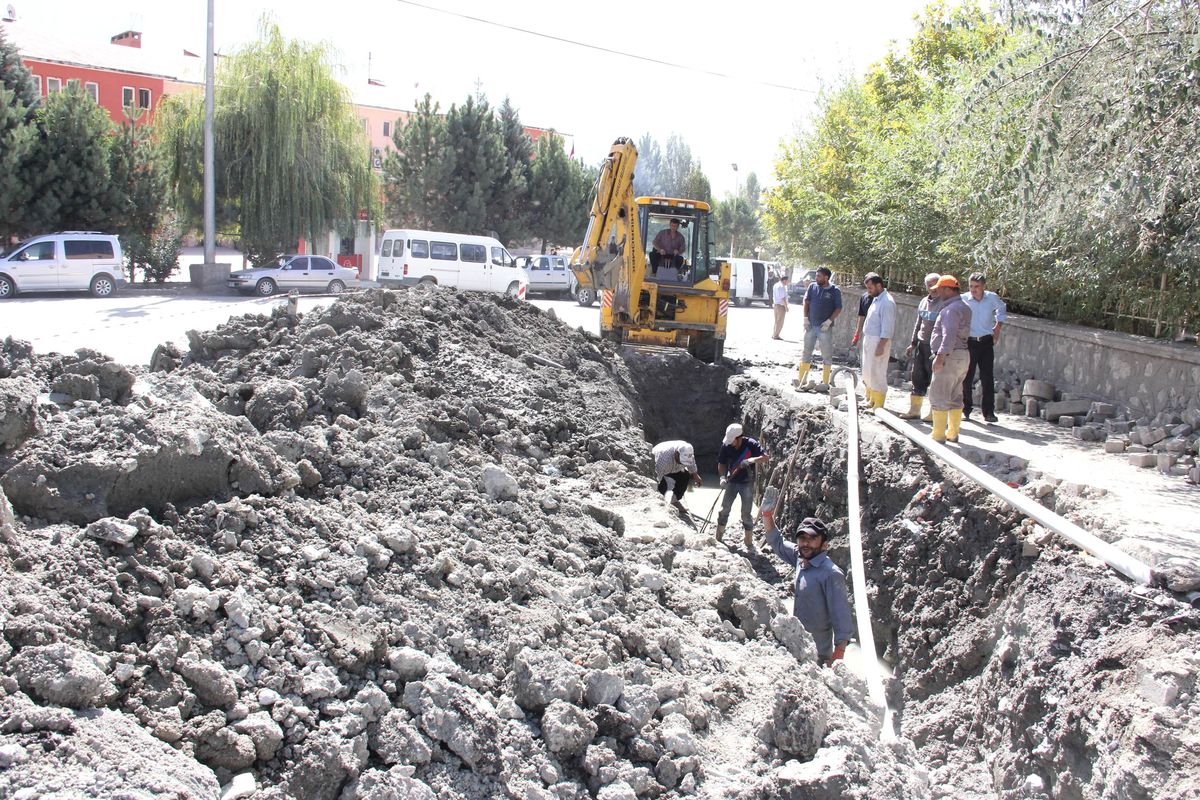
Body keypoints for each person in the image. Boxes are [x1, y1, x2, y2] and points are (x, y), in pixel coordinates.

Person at [761, 491, 852, 666]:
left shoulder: (831, 573)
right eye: (802, 538)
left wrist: (837, 656)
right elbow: (777, 542)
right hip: (795, 644)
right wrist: (767, 515)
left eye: (812, 539)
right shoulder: (800, 556)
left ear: (824, 544)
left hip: (818, 655)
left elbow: (842, 619)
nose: (806, 543)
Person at [928, 275, 972, 443]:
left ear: (947, 289)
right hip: (963, 356)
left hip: (950, 357)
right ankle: (953, 433)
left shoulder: (950, 310)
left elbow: (949, 336)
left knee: (939, 394)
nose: (938, 292)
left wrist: (940, 357)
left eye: (939, 289)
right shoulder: (965, 307)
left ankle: (938, 435)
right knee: (955, 395)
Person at [962, 272, 1007, 423]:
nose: (973, 289)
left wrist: (998, 326)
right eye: (971, 286)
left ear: (983, 287)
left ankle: (989, 412)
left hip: (986, 342)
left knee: (987, 377)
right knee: (966, 377)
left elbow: (1002, 308)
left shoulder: (991, 298)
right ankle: (965, 410)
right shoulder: (964, 299)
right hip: (969, 342)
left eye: (977, 287)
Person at [716, 423, 768, 550]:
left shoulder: (751, 444)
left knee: (746, 513)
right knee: (725, 509)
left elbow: (765, 457)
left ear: (739, 438)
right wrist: (722, 477)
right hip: (732, 481)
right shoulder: (727, 446)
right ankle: (718, 537)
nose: (730, 443)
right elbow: (721, 463)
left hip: (747, 483)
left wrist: (751, 460)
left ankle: (748, 541)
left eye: (732, 441)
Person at [900, 273, 945, 420]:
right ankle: (915, 410)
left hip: (935, 348)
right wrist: (913, 343)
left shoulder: (945, 303)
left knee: (935, 379)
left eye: (935, 285)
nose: (933, 288)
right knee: (917, 376)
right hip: (921, 345)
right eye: (929, 285)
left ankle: (933, 413)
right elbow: (918, 324)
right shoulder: (924, 302)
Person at [796, 267, 843, 388]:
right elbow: (806, 302)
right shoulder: (812, 287)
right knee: (806, 352)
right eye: (816, 276)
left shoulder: (834, 291)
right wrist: (805, 318)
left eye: (819, 276)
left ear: (826, 277)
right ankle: (802, 379)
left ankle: (825, 382)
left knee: (826, 355)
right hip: (811, 326)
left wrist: (829, 321)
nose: (816, 278)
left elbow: (838, 308)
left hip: (824, 328)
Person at [860, 273, 896, 410]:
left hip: (878, 341)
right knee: (868, 370)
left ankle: (879, 403)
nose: (868, 291)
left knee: (878, 371)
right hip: (869, 338)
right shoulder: (876, 299)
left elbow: (887, 327)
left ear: (879, 286)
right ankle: (871, 399)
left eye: (870, 288)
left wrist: (881, 345)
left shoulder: (887, 302)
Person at [652, 440, 702, 506]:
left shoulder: (688, 452)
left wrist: (695, 475)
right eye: (681, 461)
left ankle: (675, 501)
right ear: (677, 453)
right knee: (662, 486)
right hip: (660, 470)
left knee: (685, 476)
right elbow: (657, 479)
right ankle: (664, 501)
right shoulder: (663, 459)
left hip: (674, 468)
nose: (682, 463)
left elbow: (691, 463)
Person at [850, 272, 878, 349]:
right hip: (867, 333)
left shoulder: (881, 299)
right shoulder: (864, 297)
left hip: (878, 336)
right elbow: (861, 316)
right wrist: (857, 335)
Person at [771, 274, 790, 340]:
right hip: (780, 305)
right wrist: (786, 306)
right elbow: (783, 298)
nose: (788, 283)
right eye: (787, 281)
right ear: (784, 280)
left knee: (776, 320)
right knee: (780, 321)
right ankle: (776, 335)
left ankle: (774, 334)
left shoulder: (776, 285)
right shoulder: (781, 286)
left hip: (776, 304)